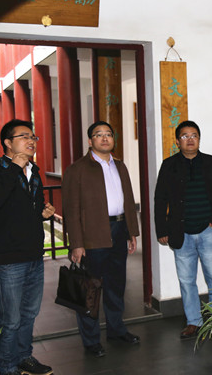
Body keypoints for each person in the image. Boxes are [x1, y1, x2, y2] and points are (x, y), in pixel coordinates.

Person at [0, 119, 55, 375]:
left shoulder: (33, 172)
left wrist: (43, 213)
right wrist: (15, 166)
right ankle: (6, 366)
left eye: (33, 137)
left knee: (29, 314)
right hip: (8, 260)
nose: (31, 141)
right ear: (8, 143)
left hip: (33, 255)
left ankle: (24, 357)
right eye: (24, 136)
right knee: (9, 319)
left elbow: (26, 208)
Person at [62, 121, 140, 358]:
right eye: (99, 135)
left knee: (116, 286)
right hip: (92, 236)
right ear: (90, 141)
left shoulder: (120, 165)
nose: (105, 138)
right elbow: (71, 210)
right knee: (91, 290)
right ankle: (91, 340)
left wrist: (131, 231)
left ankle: (116, 330)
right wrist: (77, 243)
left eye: (108, 134)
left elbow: (128, 200)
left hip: (119, 230)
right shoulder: (77, 169)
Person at [154, 120, 212, 339]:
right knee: (186, 280)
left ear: (199, 139)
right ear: (177, 141)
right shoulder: (169, 165)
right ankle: (193, 322)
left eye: (194, 135)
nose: (190, 140)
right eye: (185, 136)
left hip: (208, 231)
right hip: (181, 233)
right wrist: (161, 229)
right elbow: (160, 199)